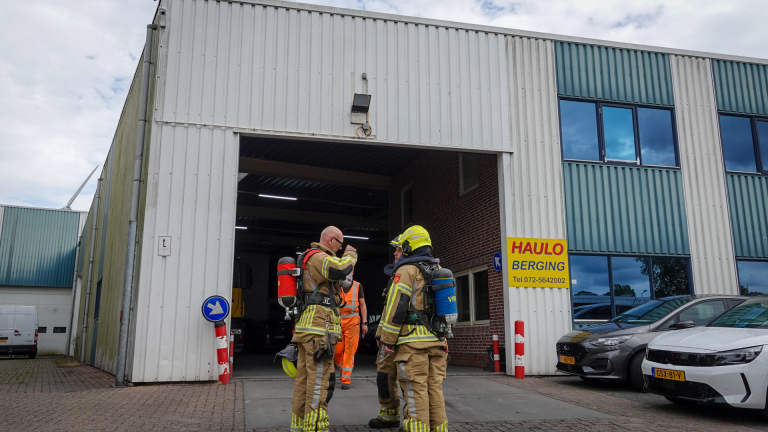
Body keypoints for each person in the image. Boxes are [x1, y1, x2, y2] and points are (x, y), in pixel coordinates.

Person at [378, 225, 449, 432]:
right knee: (434, 390)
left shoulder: (406, 270)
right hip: (437, 342)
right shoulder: (437, 269)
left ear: (409, 245)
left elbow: (396, 307)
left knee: (416, 390)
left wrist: (387, 339)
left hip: (412, 344)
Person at [290, 226, 357, 432]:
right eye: (339, 243)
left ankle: (299, 424)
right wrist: (351, 256)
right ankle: (316, 427)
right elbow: (339, 268)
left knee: (304, 379)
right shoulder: (318, 257)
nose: (340, 248)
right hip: (319, 329)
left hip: (308, 329)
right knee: (319, 381)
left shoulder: (310, 258)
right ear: (330, 240)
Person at [368, 235, 404, 429]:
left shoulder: (415, 273)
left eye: (398, 249)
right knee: (384, 375)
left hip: (408, 337)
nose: (394, 253)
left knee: (409, 379)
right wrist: (380, 334)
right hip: (389, 336)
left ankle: (416, 418)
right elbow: (388, 308)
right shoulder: (395, 276)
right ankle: (389, 414)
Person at [333, 270, 368, 389]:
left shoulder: (358, 285)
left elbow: (362, 305)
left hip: (353, 321)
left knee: (349, 351)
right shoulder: (336, 284)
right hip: (338, 321)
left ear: (353, 271)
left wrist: (364, 323)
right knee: (336, 352)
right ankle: (344, 370)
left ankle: (345, 380)